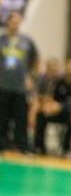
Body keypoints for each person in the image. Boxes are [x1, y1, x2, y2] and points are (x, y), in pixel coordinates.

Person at [34, 59, 71, 155]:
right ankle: (39, 147)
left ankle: (66, 149)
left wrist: (62, 106)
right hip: (58, 113)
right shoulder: (59, 82)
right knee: (41, 114)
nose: (70, 73)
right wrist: (50, 106)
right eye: (68, 71)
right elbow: (54, 99)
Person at [0, 11, 38, 152]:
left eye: (17, 21)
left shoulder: (27, 41)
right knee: (2, 117)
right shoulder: (2, 40)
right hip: (3, 85)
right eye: (12, 21)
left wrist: (31, 76)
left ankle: (21, 145)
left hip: (20, 87)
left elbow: (35, 60)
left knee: (20, 117)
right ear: (8, 22)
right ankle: (2, 143)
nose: (15, 24)